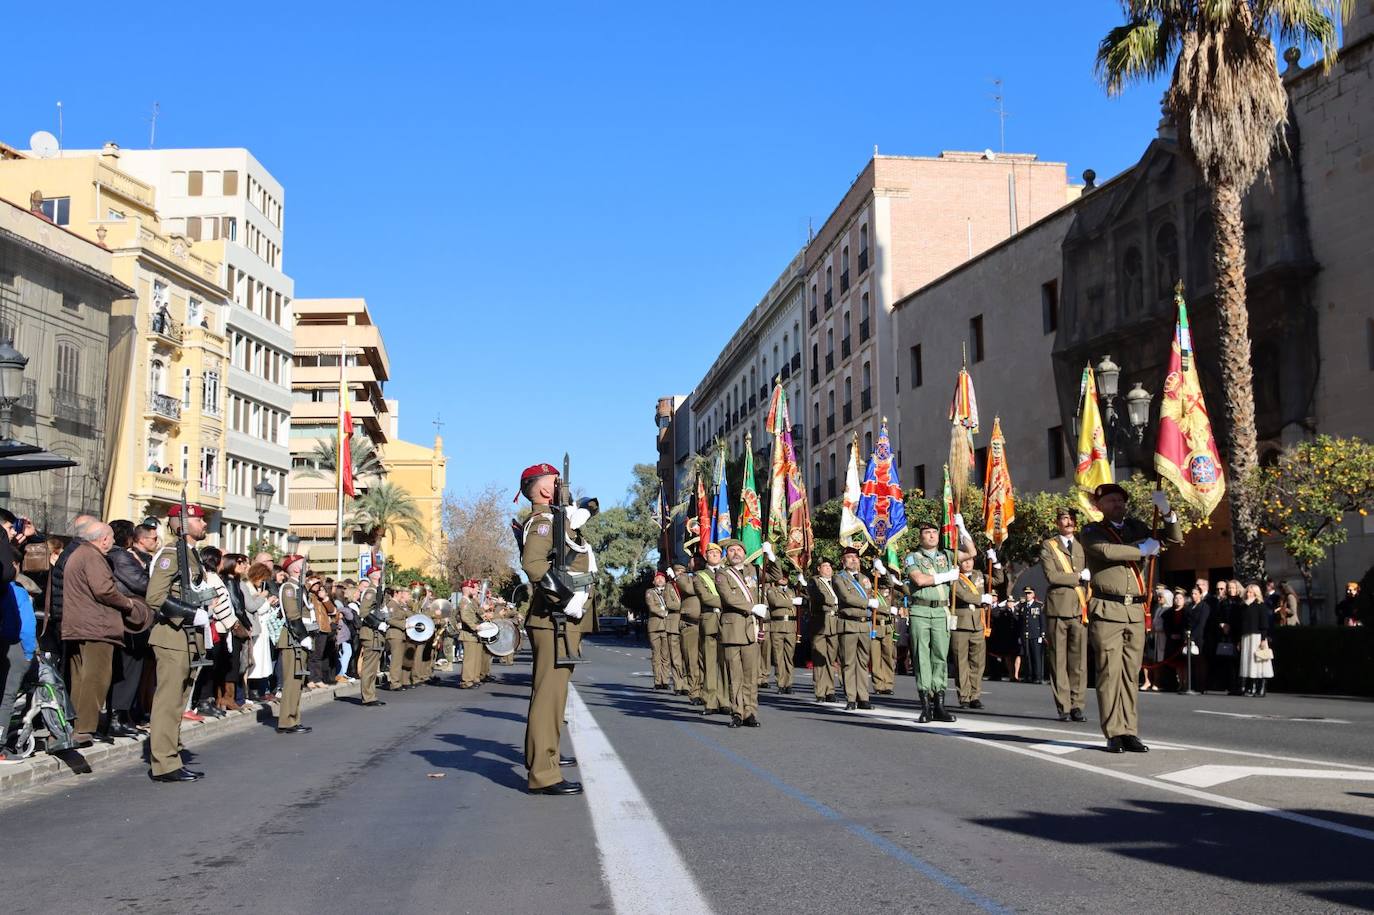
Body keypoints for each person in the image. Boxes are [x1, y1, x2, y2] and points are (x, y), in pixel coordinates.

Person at [1080, 483, 1183, 754]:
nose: (1117, 504)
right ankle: (1113, 731)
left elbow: (1174, 538)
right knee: (1109, 673)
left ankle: (1129, 731)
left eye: (1120, 500)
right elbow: (1106, 551)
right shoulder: (1092, 531)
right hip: (1107, 609)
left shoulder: (1137, 527)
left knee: (1130, 674)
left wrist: (1166, 511)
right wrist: (1141, 550)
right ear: (1099, 506)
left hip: (1135, 612)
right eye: (1111, 500)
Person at [517, 462, 585, 796]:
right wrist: (566, 597)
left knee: (553, 696)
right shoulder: (544, 523)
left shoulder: (557, 521)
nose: (564, 485)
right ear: (545, 490)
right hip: (553, 617)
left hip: (558, 618)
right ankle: (544, 772)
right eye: (557, 482)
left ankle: (546, 756)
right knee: (549, 696)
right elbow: (533, 565)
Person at [145, 504, 211, 782]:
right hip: (171, 635)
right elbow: (155, 596)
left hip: (187, 636)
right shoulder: (172, 554)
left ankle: (173, 754)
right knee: (168, 702)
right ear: (182, 523)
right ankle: (164, 763)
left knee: (178, 702)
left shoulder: (190, 555)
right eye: (199, 519)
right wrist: (190, 613)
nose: (205, 523)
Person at [61, 522, 142, 746]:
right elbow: (104, 589)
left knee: (81, 679)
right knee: (96, 678)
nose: (114, 542)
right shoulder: (92, 556)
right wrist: (127, 603)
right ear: (103, 539)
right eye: (112, 538)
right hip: (96, 627)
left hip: (80, 626)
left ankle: (77, 727)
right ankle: (85, 728)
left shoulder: (78, 554)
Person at [904, 518, 976, 723]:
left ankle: (939, 705)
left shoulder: (947, 555)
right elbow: (919, 579)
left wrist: (962, 529)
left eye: (934, 532)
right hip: (920, 610)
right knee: (922, 657)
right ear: (920, 537)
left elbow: (971, 552)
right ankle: (925, 705)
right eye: (927, 533)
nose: (932, 535)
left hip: (941, 611)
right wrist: (946, 577)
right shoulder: (913, 557)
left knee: (940, 658)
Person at [1039, 507, 1089, 722]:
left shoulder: (1082, 545)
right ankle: (1064, 707)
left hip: (1080, 608)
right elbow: (1052, 576)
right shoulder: (1049, 546)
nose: (1069, 522)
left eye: (1071, 519)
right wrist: (1078, 576)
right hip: (1058, 609)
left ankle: (1078, 704)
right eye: (1064, 519)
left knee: (1078, 661)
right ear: (1057, 522)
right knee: (1058, 660)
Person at [107, 520, 153, 736]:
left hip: (125, 619)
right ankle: (118, 716)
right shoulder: (122, 556)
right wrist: (146, 571)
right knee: (128, 669)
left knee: (129, 669)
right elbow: (141, 583)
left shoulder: (115, 555)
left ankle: (123, 715)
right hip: (130, 621)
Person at [714, 538, 763, 727]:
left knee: (751, 675)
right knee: (735, 676)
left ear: (744, 552)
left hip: (751, 630)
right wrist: (753, 608)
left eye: (738, 550)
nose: (735, 553)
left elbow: (775, 575)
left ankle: (750, 712)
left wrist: (772, 558)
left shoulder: (753, 570)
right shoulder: (722, 574)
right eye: (731, 550)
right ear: (727, 555)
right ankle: (737, 712)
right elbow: (728, 597)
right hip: (732, 629)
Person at [950, 549, 1003, 710]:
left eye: (970, 560)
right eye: (964, 560)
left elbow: (997, 580)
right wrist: (981, 599)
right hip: (961, 623)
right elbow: (961, 595)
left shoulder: (979, 574)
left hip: (978, 624)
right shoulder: (954, 577)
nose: (967, 563)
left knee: (978, 662)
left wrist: (995, 562)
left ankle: (975, 695)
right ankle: (964, 696)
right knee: (961, 662)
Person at [0, 556, 37, 759]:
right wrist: (29, 652)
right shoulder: (16, 591)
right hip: (14, 646)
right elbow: (27, 627)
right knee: (7, 697)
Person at [274, 555, 312, 734]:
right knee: (292, 681)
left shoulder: (299, 587)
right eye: (305, 565)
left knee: (298, 681)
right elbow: (292, 615)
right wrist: (303, 635)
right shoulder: (289, 588)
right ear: (296, 569)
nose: (308, 567)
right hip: (293, 638)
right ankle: (287, 721)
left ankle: (293, 718)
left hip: (298, 637)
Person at [833, 546, 875, 712]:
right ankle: (851, 697)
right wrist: (867, 603)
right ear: (843, 561)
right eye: (849, 557)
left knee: (863, 663)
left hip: (864, 624)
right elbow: (846, 597)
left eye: (856, 557)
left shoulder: (865, 578)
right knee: (849, 663)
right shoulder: (839, 578)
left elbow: (886, 586)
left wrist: (881, 570)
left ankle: (863, 697)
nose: (853, 560)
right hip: (849, 624)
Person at [696, 544, 729, 716]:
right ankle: (710, 701)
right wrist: (727, 601)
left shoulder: (728, 573)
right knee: (709, 663)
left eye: (717, 553)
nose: (714, 555)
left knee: (725, 663)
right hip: (709, 620)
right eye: (711, 553)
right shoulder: (699, 576)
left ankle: (724, 701)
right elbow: (705, 597)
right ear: (706, 555)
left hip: (727, 621)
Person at [764, 561, 799, 694]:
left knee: (789, 657)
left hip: (791, 626)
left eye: (786, 575)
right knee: (778, 657)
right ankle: (781, 683)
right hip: (777, 626)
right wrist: (791, 602)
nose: (784, 578)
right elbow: (776, 602)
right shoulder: (771, 590)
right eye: (782, 575)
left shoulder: (792, 590)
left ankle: (789, 683)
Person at [809, 558, 840, 703]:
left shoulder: (836, 582)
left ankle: (830, 690)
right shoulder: (814, 582)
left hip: (834, 623)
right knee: (819, 658)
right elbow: (819, 598)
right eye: (825, 566)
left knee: (831, 658)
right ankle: (820, 691)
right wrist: (836, 600)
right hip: (821, 623)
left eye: (829, 566)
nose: (828, 569)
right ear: (818, 569)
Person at [355, 567, 387, 705]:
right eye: (380, 573)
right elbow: (363, 612)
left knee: (373, 668)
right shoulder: (370, 591)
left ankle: (371, 695)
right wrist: (377, 624)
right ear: (374, 576)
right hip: (370, 633)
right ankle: (368, 697)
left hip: (376, 634)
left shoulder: (377, 591)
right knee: (369, 668)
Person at [673, 563, 704, 704]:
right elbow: (689, 589)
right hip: (690, 624)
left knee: (707, 661)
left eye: (699, 559)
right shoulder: (683, 577)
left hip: (708, 624)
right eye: (693, 559)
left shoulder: (708, 576)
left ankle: (706, 692)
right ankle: (694, 692)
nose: (696, 562)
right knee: (691, 661)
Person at [1237, 582, 1275, 696]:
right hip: (1246, 637)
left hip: (1257, 637)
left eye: (1251, 592)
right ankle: (1250, 686)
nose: (1248, 594)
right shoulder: (1243, 606)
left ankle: (1260, 687)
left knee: (1258, 661)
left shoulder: (1260, 606)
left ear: (1256, 594)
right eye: (1247, 592)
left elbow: (1264, 624)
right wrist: (1239, 640)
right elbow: (1241, 625)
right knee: (1247, 661)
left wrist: (1263, 639)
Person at [870, 578, 898, 695]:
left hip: (888, 628)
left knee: (888, 657)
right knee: (875, 658)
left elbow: (903, 593)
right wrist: (888, 610)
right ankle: (878, 685)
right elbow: (873, 607)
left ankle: (888, 684)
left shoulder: (891, 592)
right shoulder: (872, 592)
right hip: (875, 627)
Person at [645, 571, 672, 690]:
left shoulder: (669, 591)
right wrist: (664, 613)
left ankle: (665, 681)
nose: (660, 580)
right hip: (655, 627)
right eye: (658, 578)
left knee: (666, 656)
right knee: (656, 655)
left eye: (662, 578)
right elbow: (652, 606)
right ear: (653, 581)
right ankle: (657, 681)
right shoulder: (650, 592)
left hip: (667, 627)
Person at [385, 585, 415, 690]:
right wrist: (404, 624)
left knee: (399, 659)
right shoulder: (391, 604)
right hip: (394, 634)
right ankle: (394, 683)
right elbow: (389, 619)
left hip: (400, 634)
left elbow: (409, 614)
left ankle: (399, 681)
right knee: (396, 660)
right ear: (395, 593)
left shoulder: (399, 604)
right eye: (400, 592)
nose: (402, 594)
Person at [1017, 587, 1046, 686]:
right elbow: (1021, 622)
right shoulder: (1022, 606)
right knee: (1027, 656)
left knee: (1036, 656)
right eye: (1026, 593)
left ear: (1033, 594)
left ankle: (1037, 677)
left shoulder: (1038, 606)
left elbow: (1042, 620)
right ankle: (1028, 676)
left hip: (1035, 634)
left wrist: (1042, 634)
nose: (1027, 595)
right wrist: (1020, 635)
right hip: (1025, 635)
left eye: (1029, 593)